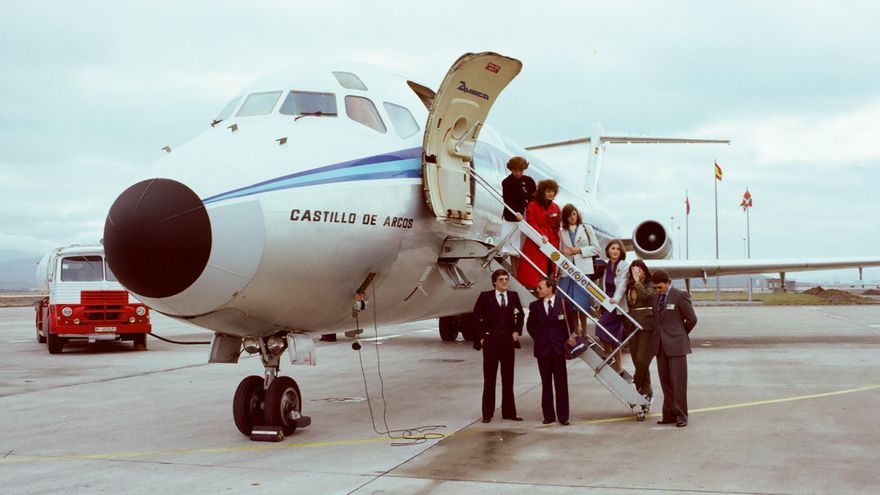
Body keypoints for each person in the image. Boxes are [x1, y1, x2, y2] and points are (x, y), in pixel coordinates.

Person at [471, 269, 524, 423]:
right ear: (494, 282)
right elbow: (476, 317)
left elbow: (520, 314)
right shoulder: (485, 297)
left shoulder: (513, 296)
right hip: (491, 342)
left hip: (507, 341)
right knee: (490, 379)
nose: (505, 282)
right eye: (501, 279)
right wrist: (481, 337)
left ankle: (509, 412)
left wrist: (517, 331)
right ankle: (487, 413)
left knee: (508, 378)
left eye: (506, 279)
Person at [651, 269, 698, 428]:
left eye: (660, 287)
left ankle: (681, 415)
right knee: (665, 383)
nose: (658, 290)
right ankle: (669, 414)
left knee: (678, 382)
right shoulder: (655, 297)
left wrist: (680, 334)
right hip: (660, 346)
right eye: (656, 288)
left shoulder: (680, 295)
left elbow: (691, 319)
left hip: (677, 345)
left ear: (668, 282)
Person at [526, 277, 570, 425]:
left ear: (550, 288)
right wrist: (540, 339)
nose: (537, 290)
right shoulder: (535, 306)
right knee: (546, 383)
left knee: (561, 383)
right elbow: (530, 327)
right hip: (543, 350)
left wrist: (561, 340)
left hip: (558, 350)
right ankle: (548, 415)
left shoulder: (562, 303)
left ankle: (563, 416)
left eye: (540, 287)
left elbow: (569, 325)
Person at [557, 203, 601, 335]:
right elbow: (558, 250)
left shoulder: (586, 228)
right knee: (570, 305)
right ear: (565, 217)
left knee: (582, 303)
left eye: (574, 214)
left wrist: (580, 250)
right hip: (567, 271)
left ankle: (585, 333)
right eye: (569, 215)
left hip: (582, 271)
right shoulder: (561, 232)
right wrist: (563, 252)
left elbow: (596, 248)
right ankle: (576, 331)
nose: (572, 217)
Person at [517, 179, 561, 289]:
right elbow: (532, 223)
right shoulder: (532, 205)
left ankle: (547, 288)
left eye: (553, 191)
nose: (551, 194)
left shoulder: (556, 207)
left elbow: (557, 226)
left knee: (550, 267)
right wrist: (541, 234)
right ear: (542, 191)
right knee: (532, 270)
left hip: (552, 240)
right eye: (548, 191)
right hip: (535, 240)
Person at [624, 259, 655, 400]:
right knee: (637, 360)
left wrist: (637, 282)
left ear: (644, 270)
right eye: (633, 270)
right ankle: (646, 389)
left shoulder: (650, 284)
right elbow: (630, 303)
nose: (636, 272)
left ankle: (635, 385)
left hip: (646, 325)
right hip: (632, 325)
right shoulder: (630, 286)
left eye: (638, 269)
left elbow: (646, 296)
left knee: (643, 359)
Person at [597, 239, 629, 374]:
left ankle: (606, 352)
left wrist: (615, 299)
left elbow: (622, 285)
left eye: (618, 249)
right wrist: (599, 305)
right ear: (608, 251)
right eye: (613, 248)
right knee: (615, 338)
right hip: (605, 302)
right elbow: (600, 286)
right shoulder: (604, 265)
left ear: (621, 252)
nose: (615, 251)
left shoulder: (624, 265)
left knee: (601, 325)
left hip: (616, 304)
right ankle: (619, 368)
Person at [499, 156, 536, 257]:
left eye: (521, 170)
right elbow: (508, 200)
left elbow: (533, 198)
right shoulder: (506, 182)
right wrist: (516, 212)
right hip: (513, 216)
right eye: (515, 170)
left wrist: (531, 210)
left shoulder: (529, 181)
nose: (518, 173)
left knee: (523, 244)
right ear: (511, 169)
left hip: (527, 214)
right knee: (512, 246)